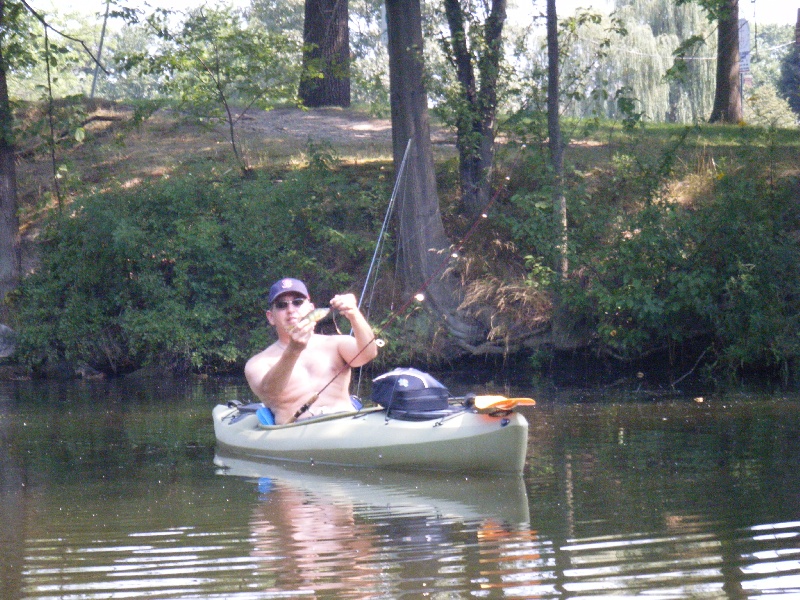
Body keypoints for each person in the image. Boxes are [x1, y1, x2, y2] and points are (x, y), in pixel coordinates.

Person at [244, 278, 379, 424]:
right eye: (282, 305)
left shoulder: (335, 343)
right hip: (296, 433)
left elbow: (369, 353)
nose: (290, 310)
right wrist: (293, 351)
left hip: (346, 423)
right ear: (271, 317)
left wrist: (354, 314)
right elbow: (270, 394)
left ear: (310, 308)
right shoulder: (258, 363)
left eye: (297, 302)